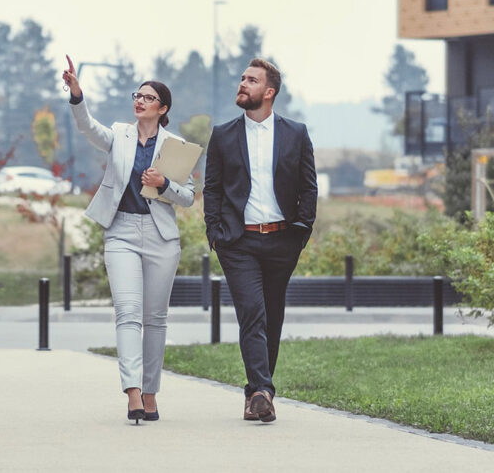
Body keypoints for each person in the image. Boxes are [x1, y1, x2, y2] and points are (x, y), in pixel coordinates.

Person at [62, 56, 195, 424]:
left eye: (148, 98)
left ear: (162, 108)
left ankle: (151, 394)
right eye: (137, 95)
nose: (139, 101)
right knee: (127, 313)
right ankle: (133, 393)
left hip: (160, 237)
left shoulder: (176, 147)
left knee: (154, 319)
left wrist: (163, 184)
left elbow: (188, 197)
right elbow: (88, 128)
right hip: (120, 231)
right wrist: (77, 95)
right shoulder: (119, 134)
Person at [203, 58, 317, 424]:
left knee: (272, 317)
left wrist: (301, 230)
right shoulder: (223, 135)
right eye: (242, 78)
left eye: (251, 80)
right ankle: (264, 392)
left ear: (269, 92)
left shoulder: (295, 133)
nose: (242, 84)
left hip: (282, 239)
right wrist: (216, 234)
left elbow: (308, 186)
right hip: (238, 242)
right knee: (252, 313)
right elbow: (213, 188)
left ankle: (255, 394)